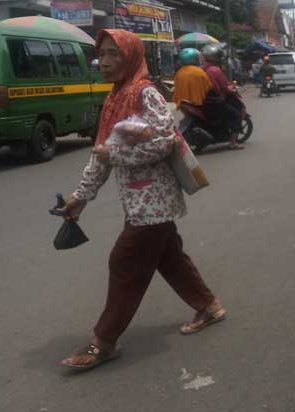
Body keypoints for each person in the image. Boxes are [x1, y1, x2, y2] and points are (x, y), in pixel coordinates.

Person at [56, 29, 225, 372]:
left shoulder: (145, 93)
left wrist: (114, 153)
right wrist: (80, 197)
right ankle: (209, 306)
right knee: (169, 257)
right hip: (139, 202)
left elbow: (162, 142)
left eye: (112, 54)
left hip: (154, 201)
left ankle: (104, 340)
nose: (103, 62)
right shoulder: (116, 96)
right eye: (100, 55)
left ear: (130, 56)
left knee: (125, 263)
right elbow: (100, 155)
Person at [201, 45, 244, 150]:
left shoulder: (201, 69)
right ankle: (233, 143)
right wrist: (233, 90)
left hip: (205, 99)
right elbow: (224, 87)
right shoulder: (215, 70)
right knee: (237, 115)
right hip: (216, 100)